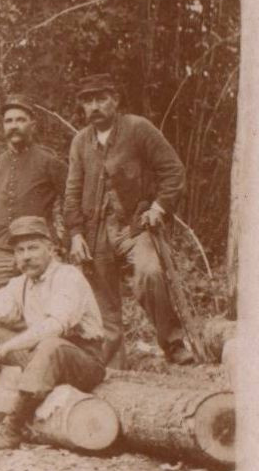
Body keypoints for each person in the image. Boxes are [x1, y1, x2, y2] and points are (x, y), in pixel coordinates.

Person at [63, 73, 195, 366]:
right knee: (102, 301)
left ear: (115, 100)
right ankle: (113, 363)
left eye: (101, 99)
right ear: (82, 107)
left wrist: (159, 208)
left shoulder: (138, 129)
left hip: (134, 225)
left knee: (150, 274)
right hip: (95, 231)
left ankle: (173, 344)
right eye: (88, 101)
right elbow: (72, 191)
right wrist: (75, 234)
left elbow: (173, 171)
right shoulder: (80, 143)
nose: (95, 106)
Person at [0, 216, 107, 450]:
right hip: (40, 359)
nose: (26, 256)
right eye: (19, 250)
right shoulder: (20, 283)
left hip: (82, 361)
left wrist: (7, 348)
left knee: (51, 344)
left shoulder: (68, 276)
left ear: (51, 249)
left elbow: (55, 326)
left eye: (33, 248)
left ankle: (13, 426)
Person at [0, 95, 67, 294]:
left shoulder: (49, 162)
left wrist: (62, 240)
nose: (14, 125)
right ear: (3, 127)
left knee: (39, 303)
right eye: (9, 121)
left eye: (20, 120)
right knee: (0, 307)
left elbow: (71, 200)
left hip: (35, 248)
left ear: (32, 125)